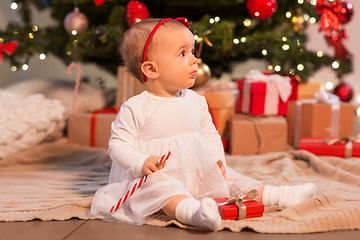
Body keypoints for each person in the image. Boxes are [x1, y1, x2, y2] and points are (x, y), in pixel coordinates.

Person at [91, 17, 316, 230]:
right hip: (158, 175)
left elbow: (209, 134)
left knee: (233, 180)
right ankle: (194, 213)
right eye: (182, 54)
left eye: (191, 51)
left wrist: (217, 158)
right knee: (164, 190)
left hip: (195, 169)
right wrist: (140, 163)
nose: (194, 59)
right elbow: (118, 145)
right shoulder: (136, 107)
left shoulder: (196, 101)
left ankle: (280, 195)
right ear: (152, 69)